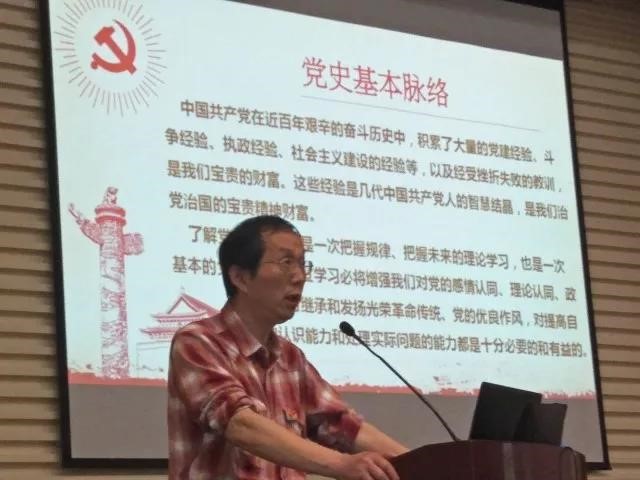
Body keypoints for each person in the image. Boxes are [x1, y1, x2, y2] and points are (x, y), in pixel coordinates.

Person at [168, 215, 408, 479]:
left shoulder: (291, 358)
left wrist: (427, 463)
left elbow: (343, 426)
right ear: (240, 277)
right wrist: (342, 465)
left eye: (303, 264)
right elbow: (240, 424)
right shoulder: (198, 342)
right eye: (286, 263)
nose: (300, 277)